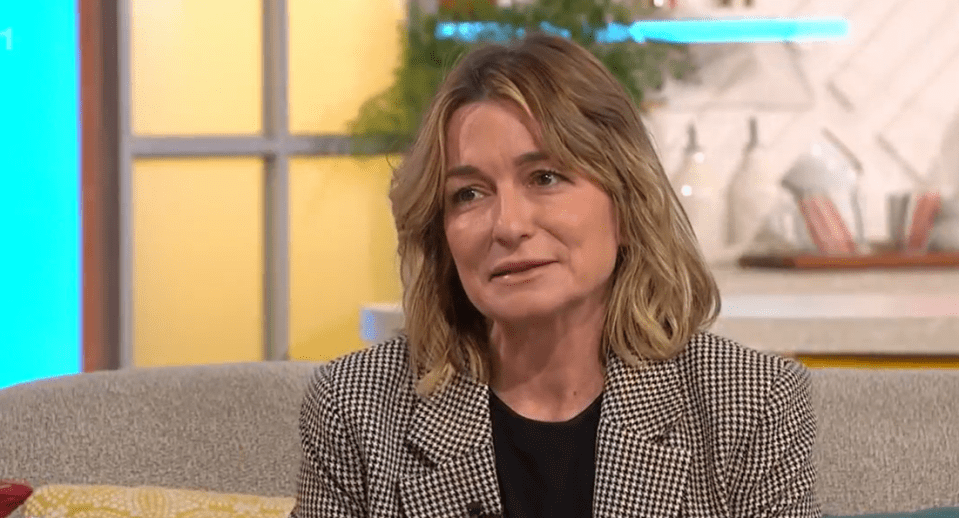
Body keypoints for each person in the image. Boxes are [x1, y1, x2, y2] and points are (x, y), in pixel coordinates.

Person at [292, 33, 820, 518]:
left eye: (545, 177)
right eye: (469, 194)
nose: (509, 225)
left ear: (626, 202)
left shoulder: (750, 403)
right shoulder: (356, 408)